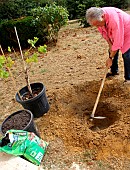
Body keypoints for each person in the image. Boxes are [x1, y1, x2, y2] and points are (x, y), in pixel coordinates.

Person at [86, 7, 130, 83]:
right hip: (115, 32)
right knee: (112, 50)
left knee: (126, 54)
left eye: (97, 24)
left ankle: (128, 78)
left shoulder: (114, 20)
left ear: (102, 17)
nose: (97, 27)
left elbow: (118, 42)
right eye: (95, 25)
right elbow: (106, 36)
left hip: (127, 31)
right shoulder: (99, 19)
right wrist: (110, 45)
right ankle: (114, 71)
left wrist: (110, 58)